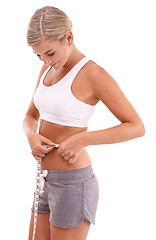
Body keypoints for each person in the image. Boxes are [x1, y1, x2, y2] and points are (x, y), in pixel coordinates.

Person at [23, 6, 145, 240]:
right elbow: (30, 115)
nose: (46, 61)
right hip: (43, 178)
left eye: (49, 53)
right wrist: (31, 135)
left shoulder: (93, 74)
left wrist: (83, 139)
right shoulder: (47, 69)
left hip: (72, 183)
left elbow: (136, 126)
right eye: (38, 55)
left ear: (69, 37)